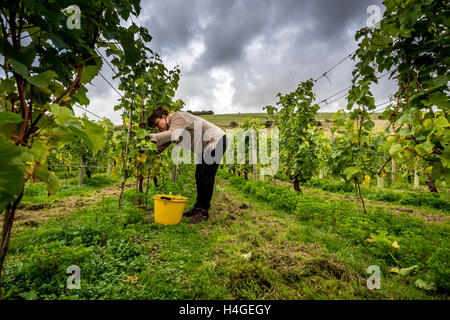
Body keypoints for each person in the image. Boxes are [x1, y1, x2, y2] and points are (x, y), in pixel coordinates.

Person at [147, 106, 227, 223]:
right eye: (154, 127)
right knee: (199, 176)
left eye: (157, 124)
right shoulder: (171, 129)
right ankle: (198, 208)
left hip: (216, 141)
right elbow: (159, 147)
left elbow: (173, 134)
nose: (157, 128)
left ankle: (203, 212)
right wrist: (144, 150)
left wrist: (148, 137)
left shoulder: (177, 117)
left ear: (164, 117)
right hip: (205, 147)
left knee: (206, 177)